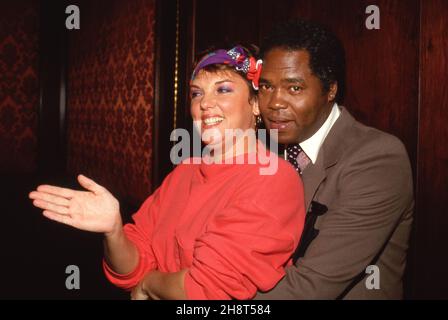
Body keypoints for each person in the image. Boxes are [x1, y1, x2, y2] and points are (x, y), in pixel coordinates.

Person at [29, 46, 306, 300]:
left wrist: (149, 285)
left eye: (223, 90)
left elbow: (206, 288)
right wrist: (113, 230)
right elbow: (132, 270)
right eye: (197, 93)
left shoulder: (273, 179)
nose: (205, 104)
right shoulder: (185, 171)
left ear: (256, 104)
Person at [254, 19, 414, 299]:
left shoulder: (378, 159)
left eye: (294, 88)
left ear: (330, 90)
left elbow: (308, 290)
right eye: (266, 87)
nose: (274, 103)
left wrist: (196, 294)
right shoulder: (255, 149)